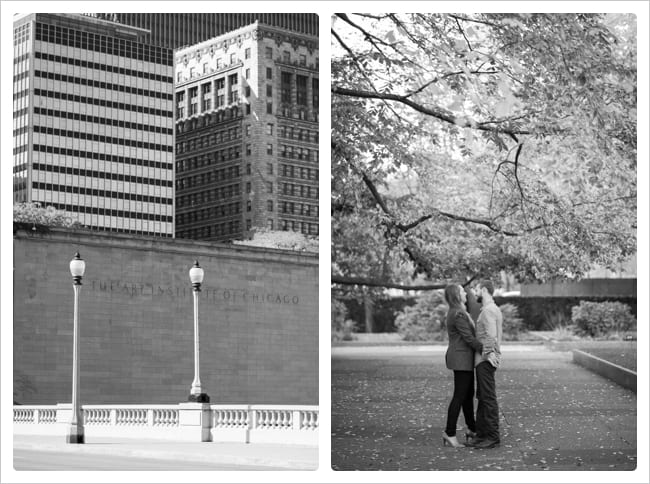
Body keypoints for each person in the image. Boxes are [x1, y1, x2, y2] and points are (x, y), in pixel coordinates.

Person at [442, 284, 483, 448]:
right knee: (460, 396)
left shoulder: (458, 311)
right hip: (461, 359)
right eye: (462, 291)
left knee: (467, 395)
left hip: (463, 358)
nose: (465, 293)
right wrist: (487, 349)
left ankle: (472, 429)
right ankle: (449, 432)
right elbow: (468, 337)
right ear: (456, 295)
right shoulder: (458, 313)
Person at [467, 280, 503, 449]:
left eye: (476, 290)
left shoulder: (488, 311)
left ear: (483, 290)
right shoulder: (492, 309)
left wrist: (488, 355)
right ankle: (481, 435)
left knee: (488, 398)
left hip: (485, 360)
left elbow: (491, 336)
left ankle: (492, 437)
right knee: (482, 397)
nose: (475, 294)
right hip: (485, 359)